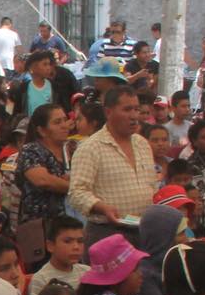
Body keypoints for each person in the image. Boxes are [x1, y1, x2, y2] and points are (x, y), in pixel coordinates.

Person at [66, 85, 154, 245]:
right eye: (127, 109)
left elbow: (151, 185)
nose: (134, 115)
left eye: (136, 109)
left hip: (144, 231)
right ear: (108, 112)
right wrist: (102, 207)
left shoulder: (142, 144)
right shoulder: (91, 148)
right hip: (107, 233)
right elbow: (77, 193)